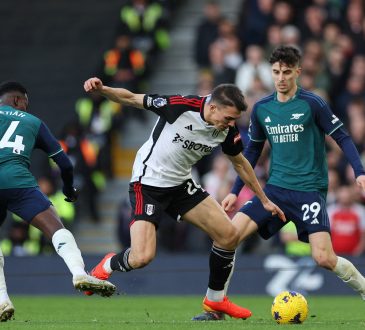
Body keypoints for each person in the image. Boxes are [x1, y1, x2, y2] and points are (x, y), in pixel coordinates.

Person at [83, 77, 285, 318]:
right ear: (212, 107)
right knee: (142, 257)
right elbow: (131, 98)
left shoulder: (226, 130)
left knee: (229, 236)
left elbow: (240, 163)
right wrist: (103, 89)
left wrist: (263, 199)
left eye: (234, 120)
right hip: (147, 184)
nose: (230, 124)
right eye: (228, 118)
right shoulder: (179, 106)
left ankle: (215, 301)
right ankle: (107, 264)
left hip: (180, 185)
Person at [193, 45, 365, 321]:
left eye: (286, 72)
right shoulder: (262, 108)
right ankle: (215, 307)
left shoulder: (312, 104)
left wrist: (359, 171)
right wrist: (236, 191)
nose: (281, 77)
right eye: (276, 72)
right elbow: (249, 153)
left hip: (309, 191)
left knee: (324, 259)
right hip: (273, 191)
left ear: (297, 71)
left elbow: (343, 137)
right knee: (228, 236)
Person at [0, 82, 116, 321]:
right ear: (17, 101)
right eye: (25, 103)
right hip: (19, 182)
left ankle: (2, 299)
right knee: (55, 228)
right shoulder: (33, 122)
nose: (26, 107)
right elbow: (64, 162)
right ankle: (78, 273)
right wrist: (68, 188)